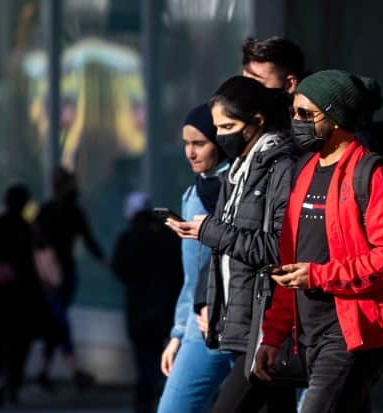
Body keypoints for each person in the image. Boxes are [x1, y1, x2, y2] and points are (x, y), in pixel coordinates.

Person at [253, 70, 383, 412]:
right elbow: (289, 262)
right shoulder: (305, 169)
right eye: (293, 113)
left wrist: (319, 275)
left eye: (306, 115)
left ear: (336, 117)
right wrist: (273, 335)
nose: (296, 122)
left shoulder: (373, 174)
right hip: (308, 333)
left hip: (353, 332)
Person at [166, 76, 298, 413]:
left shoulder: (280, 166)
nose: (222, 134)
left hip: (265, 322)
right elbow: (209, 264)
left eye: (229, 125)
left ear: (257, 121)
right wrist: (194, 314)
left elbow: (278, 249)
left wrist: (209, 231)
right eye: (218, 126)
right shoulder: (237, 171)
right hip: (232, 321)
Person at [156, 103, 233, 413]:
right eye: (186, 144)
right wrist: (178, 333)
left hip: (250, 322)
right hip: (201, 324)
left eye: (199, 143)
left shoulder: (246, 187)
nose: (190, 153)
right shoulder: (193, 197)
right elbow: (193, 278)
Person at [0, 184, 47, 407]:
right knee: (19, 342)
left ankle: (0, 377)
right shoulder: (27, 229)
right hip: (21, 297)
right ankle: (12, 382)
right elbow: (36, 262)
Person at [34, 166, 107, 391]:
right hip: (57, 273)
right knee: (59, 320)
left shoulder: (50, 211)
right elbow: (87, 239)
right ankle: (73, 369)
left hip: (53, 273)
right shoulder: (68, 211)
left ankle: (45, 371)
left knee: (56, 321)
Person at [112, 191, 184, 413]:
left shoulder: (129, 237)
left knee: (145, 360)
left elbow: (119, 268)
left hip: (139, 309)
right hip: (165, 308)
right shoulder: (167, 235)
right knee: (162, 357)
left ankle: (147, 401)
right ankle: (160, 396)